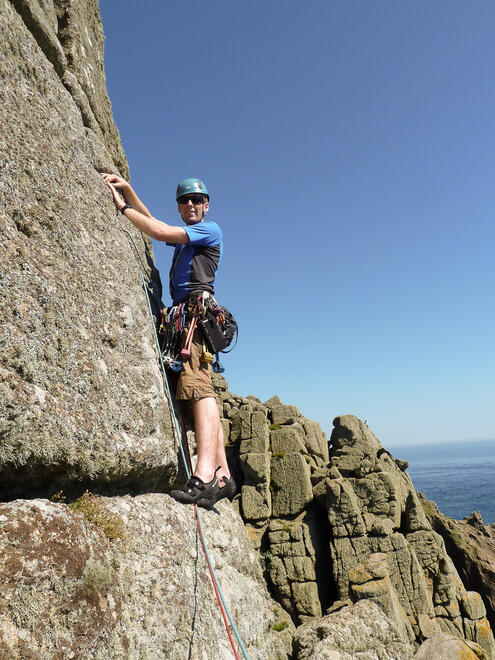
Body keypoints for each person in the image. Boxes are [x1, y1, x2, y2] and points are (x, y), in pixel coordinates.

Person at [101, 173, 236, 507]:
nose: (190, 204)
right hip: (187, 317)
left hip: (194, 317)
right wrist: (129, 190)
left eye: (196, 200)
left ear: (206, 205)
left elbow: (157, 230)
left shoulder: (209, 229)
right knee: (201, 391)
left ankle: (204, 475)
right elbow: (154, 223)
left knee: (197, 389)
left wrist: (121, 210)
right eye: (184, 200)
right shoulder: (187, 239)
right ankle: (223, 476)